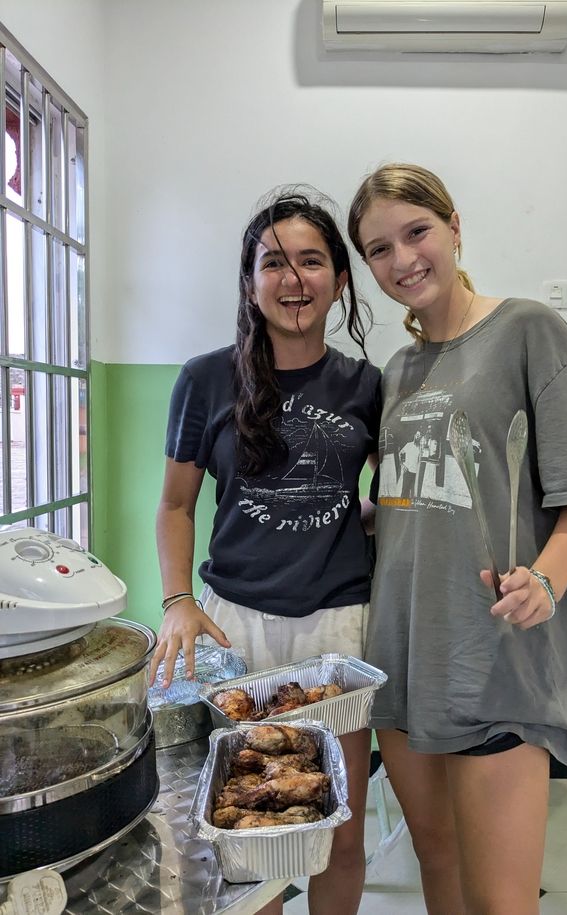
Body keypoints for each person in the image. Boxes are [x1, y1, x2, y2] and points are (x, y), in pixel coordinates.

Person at [347, 163, 567, 915]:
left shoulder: (529, 329)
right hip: (402, 656)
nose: (403, 260)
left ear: (454, 227)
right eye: (379, 249)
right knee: (436, 863)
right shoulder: (398, 369)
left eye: (417, 233)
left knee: (502, 900)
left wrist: (545, 578)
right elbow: (412, 503)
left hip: (493, 658)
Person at [150, 189, 381, 915]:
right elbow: (176, 504)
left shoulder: (368, 387)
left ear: (340, 280)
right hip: (233, 628)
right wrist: (177, 599)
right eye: (273, 262)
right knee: (246, 833)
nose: (293, 279)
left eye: (312, 261)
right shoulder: (204, 378)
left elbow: (386, 496)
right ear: (250, 281)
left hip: (336, 624)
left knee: (336, 827)